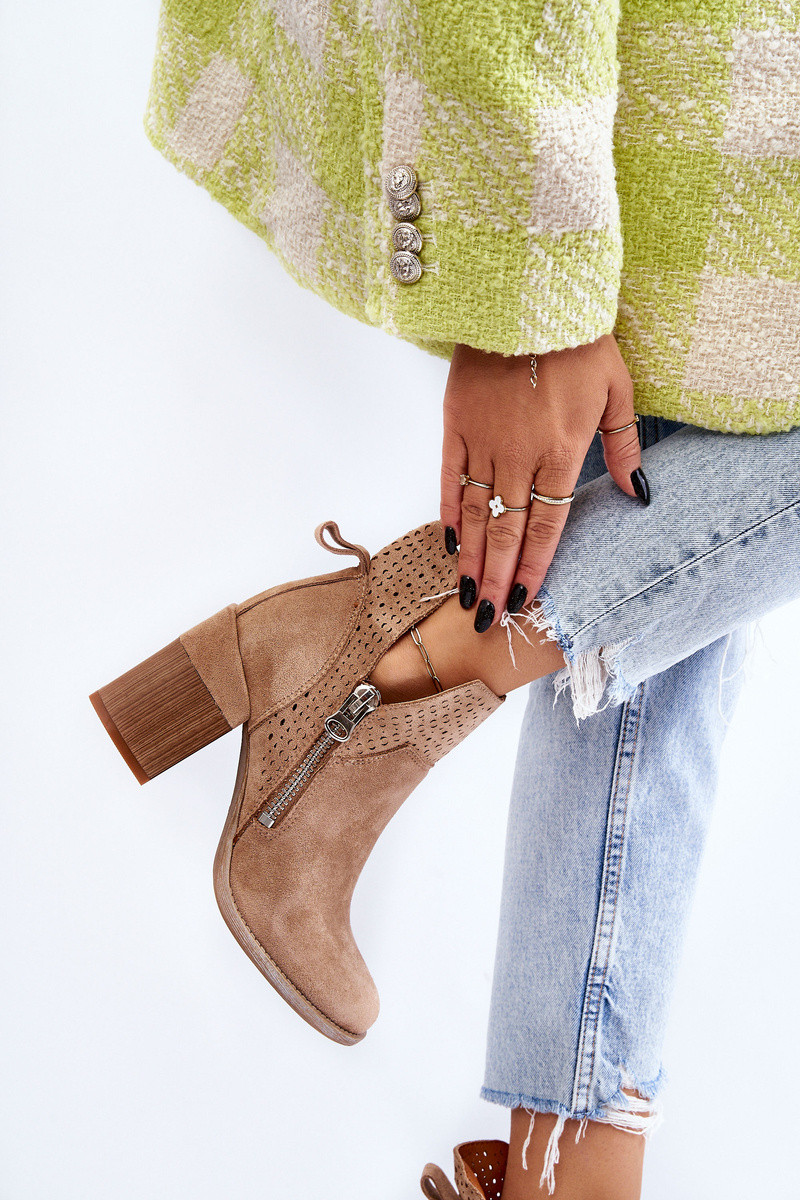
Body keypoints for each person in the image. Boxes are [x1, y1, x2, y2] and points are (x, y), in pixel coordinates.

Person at [92, 1, 800, 1196]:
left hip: (749, 140)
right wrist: (523, 305)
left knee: (676, 510)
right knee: (670, 491)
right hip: (664, 81)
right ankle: (397, 670)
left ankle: (570, 1168)